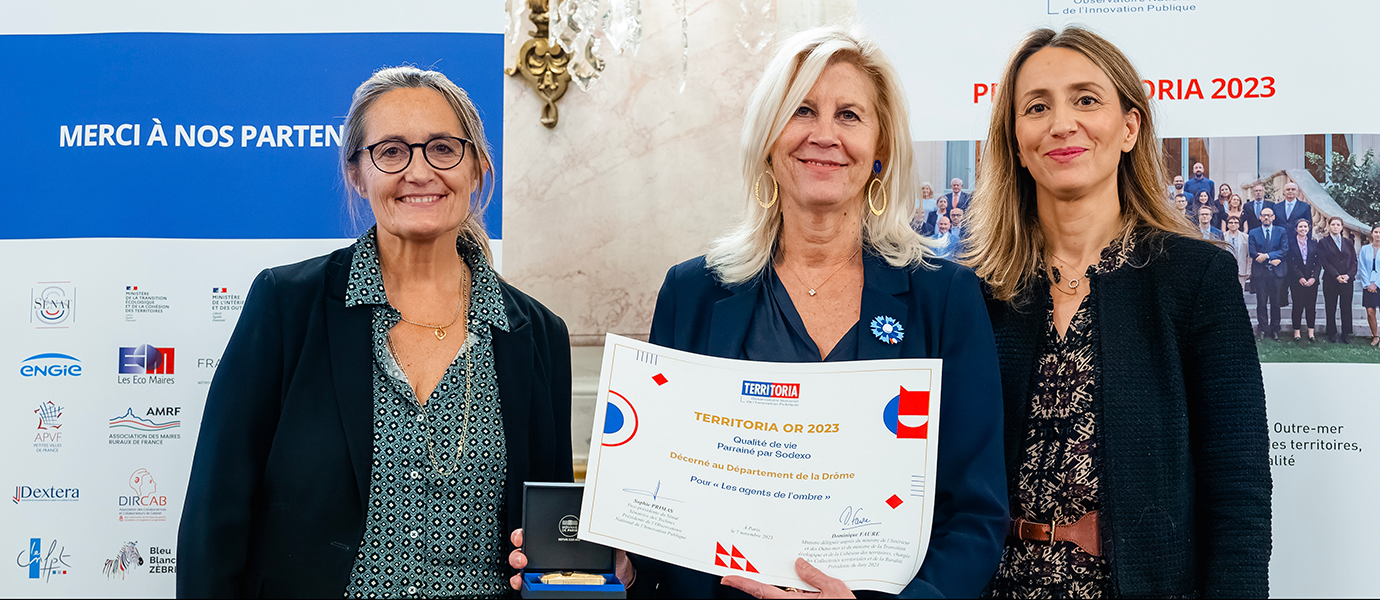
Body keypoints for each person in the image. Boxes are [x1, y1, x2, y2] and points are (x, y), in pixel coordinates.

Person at [569, 24, 1009, 599]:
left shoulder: (945, 296)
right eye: (802, 110)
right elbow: (660, 493)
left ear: (881, 148)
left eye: (849, 115)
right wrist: (623, 557)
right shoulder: (693, 292)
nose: (824, 135)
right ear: (769, 139)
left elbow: (975, 515)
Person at [177, 67, 575, 598]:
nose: (419, 172)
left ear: (478, 167)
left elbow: (552, 540)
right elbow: (214, 515)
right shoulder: (287, 305)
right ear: (357, 175)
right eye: (391, 152)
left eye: (442, 148)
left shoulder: (539, 335)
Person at [963, 26, 1270, 598]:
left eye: (1086, 99)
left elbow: (1239, 493)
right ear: (1017, 139)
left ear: (1129, 128)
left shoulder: (1196, 278)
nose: (1061, 123)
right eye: (1036, 107)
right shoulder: (978, 291)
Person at [1249, 207, 1287, 340]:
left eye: (1269, 215)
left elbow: (1284, 250)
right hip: (1260, 273)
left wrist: (1266, 255)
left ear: (1273, 217)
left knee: (1276, 302)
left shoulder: (1281, 231)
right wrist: (1271, 257)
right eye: (1264, 215)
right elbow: (1253, 252)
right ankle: (1262, 329)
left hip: (1276, 273)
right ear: (1260, 217)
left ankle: (1276, 329)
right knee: (1261, 302)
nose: (1266, 218)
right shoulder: (1253, 233)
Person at [1319, 216, 1358, 343]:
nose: (1335, 227)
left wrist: (1348, 275)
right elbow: (1324, 261)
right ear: (1329, 226)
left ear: (1342, 227)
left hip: (1347, 280)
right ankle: (1332, 332)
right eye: (1333, 224)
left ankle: (1346, 333)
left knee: (1346, 307)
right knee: (1331, 307)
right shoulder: (1323, 243)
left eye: (1338, 225)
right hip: (1331, 280)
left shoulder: (1348, 243)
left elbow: (1354, 262)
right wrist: (1336, 275)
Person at [1285, 217, 1321, 342]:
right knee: (1298, 306)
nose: (1303, 229)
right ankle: (1297, 332)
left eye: (1305, 227)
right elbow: (1290, 263)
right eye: (1300, 227)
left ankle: (1311, 333)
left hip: (1312, 280)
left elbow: (1318, 263)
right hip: (1297, 280)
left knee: (1311, 306)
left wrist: (1314, 278)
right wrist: (1300, 277)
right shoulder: (1290, 243)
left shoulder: (1314, 243)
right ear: (1296, 229)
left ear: (1309, 228)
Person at [1359, 224, 1380, 347]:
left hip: (1379, 284)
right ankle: (1375, 336)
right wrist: (1368, 284)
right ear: (1372, 233)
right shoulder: (1364, 249)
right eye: (1376, 232)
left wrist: (1376, 284)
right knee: (1370, 311)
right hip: (1368, 285)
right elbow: (1361, 267)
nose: (1378, 235)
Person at [1224, 216, 1251, 290]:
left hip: (1241, 269)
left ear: (1239, 225)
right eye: (1231, 222)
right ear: (1227, 225)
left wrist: (1248, 270)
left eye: (1236, 222)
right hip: (1226, 268)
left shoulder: (1245, 237)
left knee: (1240, 291)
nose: (1233, 224)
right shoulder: (1223, 236)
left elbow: (1248, 255)